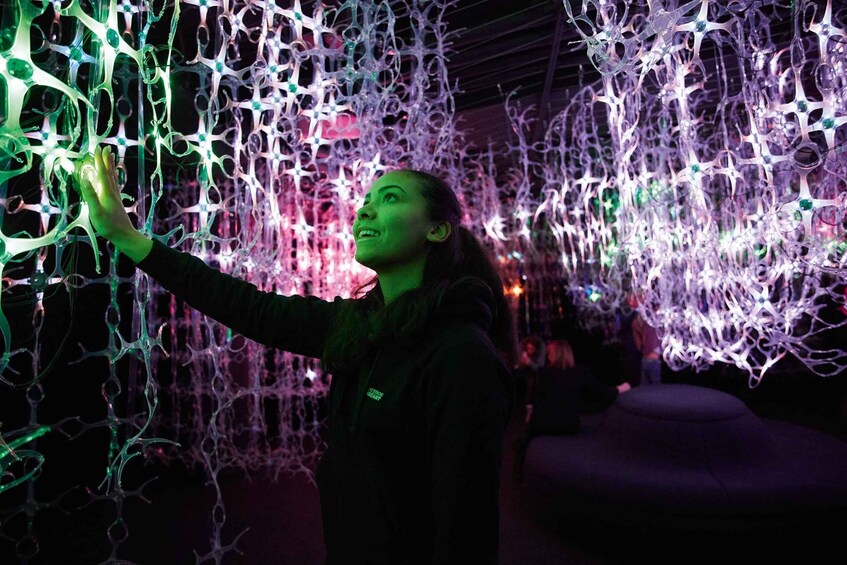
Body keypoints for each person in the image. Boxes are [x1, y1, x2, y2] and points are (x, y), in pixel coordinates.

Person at [77, 147, 518, 564]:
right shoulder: (358, 327)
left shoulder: (461, 355)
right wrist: (128, 238)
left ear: (437, 229)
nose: (364, 210)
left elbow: (468, 527)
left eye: (390, 199)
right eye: (367, 200)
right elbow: (248, 306)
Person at [514, 339, 629, 480]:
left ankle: (519, 474)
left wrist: (530, 419)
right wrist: (620, 389)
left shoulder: (545, 373)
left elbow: (537, 399)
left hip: (544, 424)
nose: (548, 356)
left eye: (550, 353)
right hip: (568, 424)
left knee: (523, 441)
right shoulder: (579, 372)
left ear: (556, 354)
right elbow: (602, 392)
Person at [631, 312, 662, 385]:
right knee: (656, 387)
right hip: (654, 360)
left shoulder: (642, 327)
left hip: (645, 359)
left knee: (644, 386)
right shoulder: (654, 326)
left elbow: (638, 346)